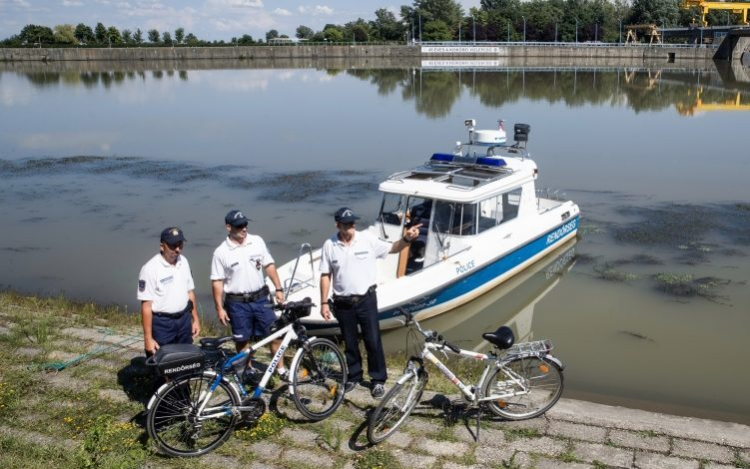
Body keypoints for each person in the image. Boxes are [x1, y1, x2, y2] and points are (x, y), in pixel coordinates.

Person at [319, 207, 421, 399]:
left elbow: (393, 248)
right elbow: (325, 274)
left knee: (373, 341)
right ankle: (354, 376)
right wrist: (324, 302)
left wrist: (407, 238)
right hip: (342, 302)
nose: (350, 226)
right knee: (349, 342)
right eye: (346, 223)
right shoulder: (329, 245)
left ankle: (378, 380)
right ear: (338, 224)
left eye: (352, 223)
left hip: (366, 299)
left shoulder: (367, 239)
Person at [210, 210, 286, 376]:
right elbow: (217, 282)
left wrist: (278, 288)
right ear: (228, 227)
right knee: (242, 340)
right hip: (237, 303)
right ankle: (247, 370)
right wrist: (219, 308)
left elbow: (269, 265)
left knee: (274, 334)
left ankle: (280, 369)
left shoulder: (257, 241)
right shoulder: (221, 252)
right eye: (239, 226)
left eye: (245, 224)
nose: (244, 229)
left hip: (261, 299)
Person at [138, 227, 200, 357]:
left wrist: (195, 320)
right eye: (172, 246)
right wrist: (148, 338)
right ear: (162, 246)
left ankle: (183, 377)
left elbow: (190, 293)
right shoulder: (150, 269)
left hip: (184, 320)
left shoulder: (184, 262)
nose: (177, 249)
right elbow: (146, 306)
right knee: (164, 361)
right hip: (163, 324)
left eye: (180, 245)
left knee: (185, 357)